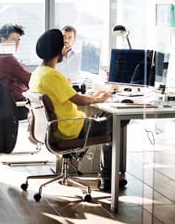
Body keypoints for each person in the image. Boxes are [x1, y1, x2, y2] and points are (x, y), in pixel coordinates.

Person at [29, 29, 127, 191]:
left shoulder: (38, 73)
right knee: (119, 119)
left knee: (106, 117)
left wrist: (93, 97)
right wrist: (98, 98)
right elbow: (78, 100)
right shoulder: (53, 75)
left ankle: (105, 173)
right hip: (71, 129)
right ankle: (108, 178)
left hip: (54, 129)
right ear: (59, 50)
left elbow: (69, 96)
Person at [0, 23, 31, 120]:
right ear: (3, 39)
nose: (17, 43)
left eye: (18, 40)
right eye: (13, 40)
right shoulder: (8, 59)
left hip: (2, 106)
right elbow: (30, 80)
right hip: (15, 107)